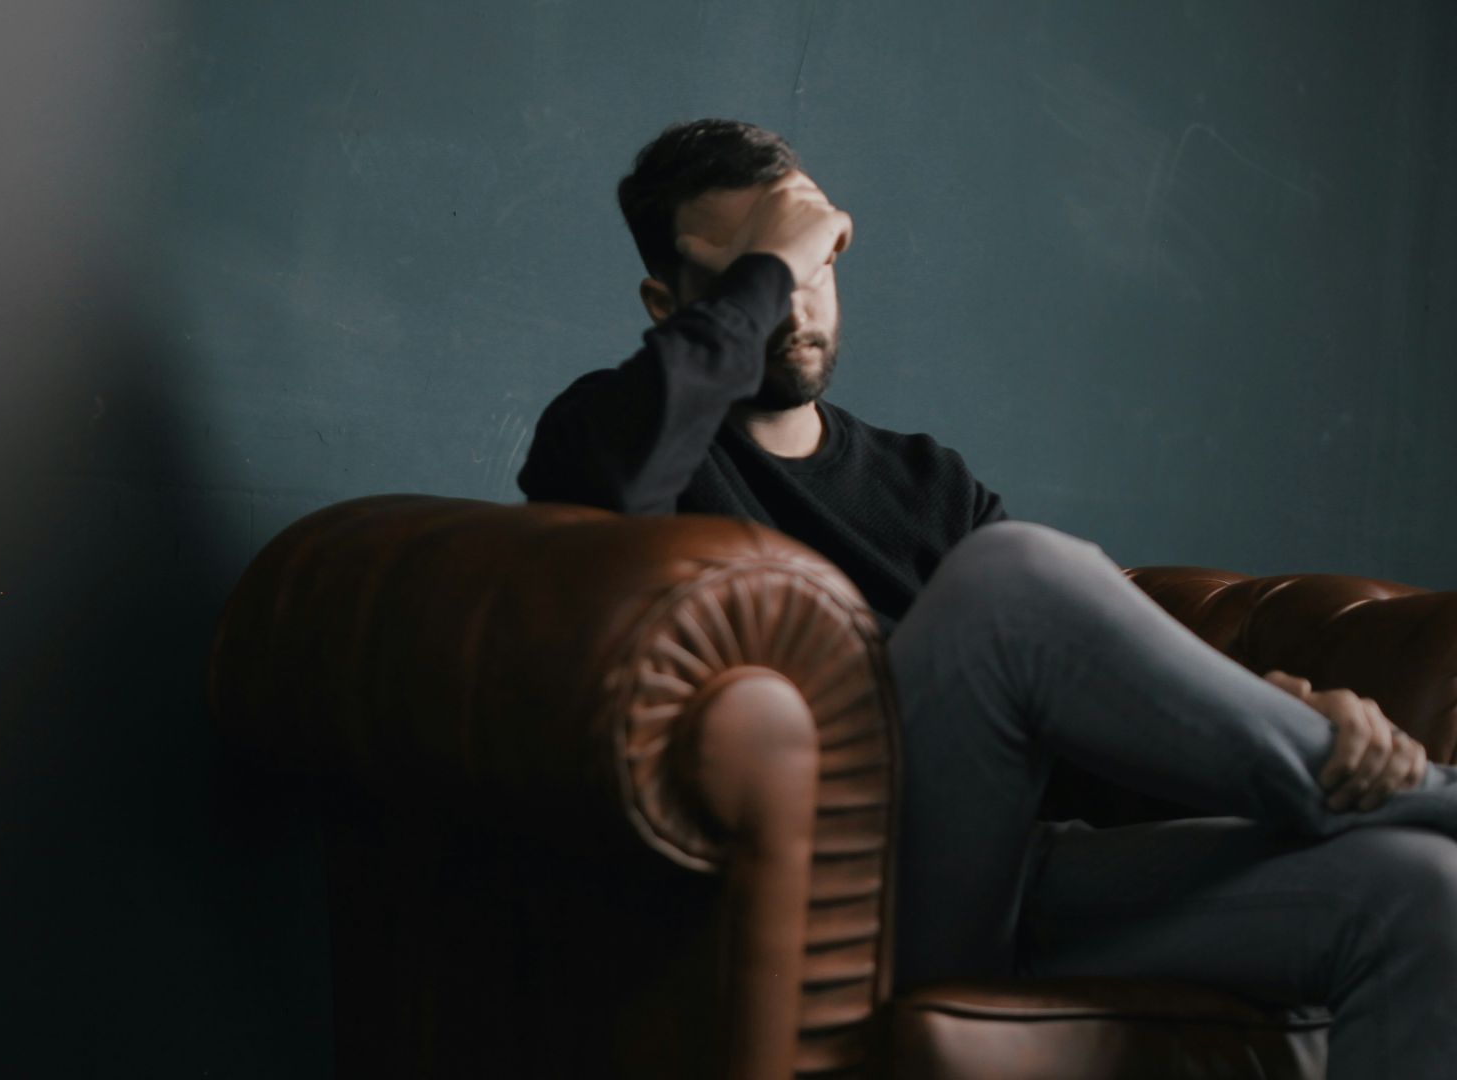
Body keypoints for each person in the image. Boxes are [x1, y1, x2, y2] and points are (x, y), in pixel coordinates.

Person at [517, 118, 1457, 1078]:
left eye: (813, 265)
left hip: (1019, 878)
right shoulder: (610, 430)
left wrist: (1273, 712)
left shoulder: (926, 482)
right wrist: (774, 256)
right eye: (758, 275)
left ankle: (1389, 803)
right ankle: (1428, 798)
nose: (793, 303)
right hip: (851, 897)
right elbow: (616, 503)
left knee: (1425, 890)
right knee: (1011, 576)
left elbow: (1072, 723)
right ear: (667, 301)